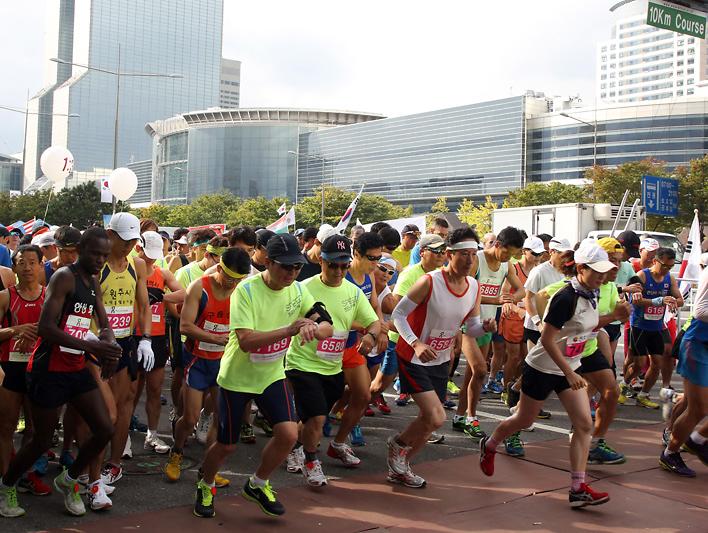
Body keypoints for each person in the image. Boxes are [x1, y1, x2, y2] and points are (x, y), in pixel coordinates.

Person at [194, 234, 333, 518]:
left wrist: (313, 328)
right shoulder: (245, 291)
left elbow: (326, 324)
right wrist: (290, 330)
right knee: (226, 445)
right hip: (237, 377)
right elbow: (246, 341)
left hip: (271, 374)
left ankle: (258, 484)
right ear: (267, 262)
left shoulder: (296, 290)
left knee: (288, 433)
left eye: (296, 267)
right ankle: (205, 484)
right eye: (285, 267)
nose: (292, 273)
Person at [479, 241, 616, 509]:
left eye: (605, 271)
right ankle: (491, 443)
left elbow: (584, 328)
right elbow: (548, 338)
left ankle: (578, 488)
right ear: (580, 268)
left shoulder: (594, 293)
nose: (602, 276)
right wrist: (569, 370)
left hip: (569, 368)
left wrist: (612, 317)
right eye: (597, 271)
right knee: (523, 418)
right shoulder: (566, 297)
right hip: (542, 367)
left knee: (584, 425)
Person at [0, 227, 123, 518]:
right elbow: (46, 328)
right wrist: (90, 346)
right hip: (48, 369)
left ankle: (69, 480)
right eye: (95, 254)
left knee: (105, 428)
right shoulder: (64, 277)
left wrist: (110, 343)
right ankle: (7, 485)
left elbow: (102, 321)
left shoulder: (93, 280)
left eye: (105, 255)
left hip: (76, 366)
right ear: (81, 249)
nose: (100, 260)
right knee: (41, 440)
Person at [389, 226, 495, 487]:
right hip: (414, 357)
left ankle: (401, 467)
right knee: (436, 416)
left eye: (473, 254)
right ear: (449, 254)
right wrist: (415, 344)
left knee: (430, 423)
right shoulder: (429, 282)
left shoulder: (473, 287)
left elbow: (471, 328)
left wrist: (486, 328)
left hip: (440, 359)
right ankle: (397, 445)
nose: (470, 261)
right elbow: (398, 315)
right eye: (464, 254)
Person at [285, 234, 380, 485]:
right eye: (333, 265)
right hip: (302, 363)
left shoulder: (354, 292)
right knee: (316, 417)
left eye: (344, 265)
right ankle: (311, 461)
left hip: (332, 365)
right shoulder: (302, 288)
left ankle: (295, 445)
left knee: (314, 418)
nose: (339, 271)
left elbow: (373, 321)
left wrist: (371, 335)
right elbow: (283, 320)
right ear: (321, 262)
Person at [165, 247, 251, 485]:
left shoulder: (241, 291)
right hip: (198, 360)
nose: (232, 284)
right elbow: (184, 326)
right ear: (219, 268)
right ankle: (177, 451)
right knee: (191, 418)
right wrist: (214, 338)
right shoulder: (199, 288)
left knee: (219, 419)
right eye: (229, 278)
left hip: (224, 363)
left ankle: (208, 469)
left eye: (238, 280)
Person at [99, 212, 152, 485]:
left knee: (122, 406)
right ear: (110, 235)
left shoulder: (137, 265)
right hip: (96, 344)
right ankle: (78, 460)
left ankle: (114, 463)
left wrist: (146, 339)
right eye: (124, 240)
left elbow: (144, 306)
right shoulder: (97, 265)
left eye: (133, 240)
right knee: (94, 409)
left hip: (124, 342)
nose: (130, 246)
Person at [371, 235, 447, 410]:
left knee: (430, 389)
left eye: (443, 251)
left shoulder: (443, 275)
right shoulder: (410, 274)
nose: (440, 255)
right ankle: (353, 405)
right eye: (435, 251)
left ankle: (427, 428)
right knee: (380, 384)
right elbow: (396, 309)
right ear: (422, 252)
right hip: (401, 341)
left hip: (426, 342)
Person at [0, 245, 49, 496]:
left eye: (32, 262)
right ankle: (6, 484)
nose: (27, 267)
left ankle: (26, 475)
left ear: (42, 265)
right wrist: (15, 331)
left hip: (39, 368)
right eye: (22, 262)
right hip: (10, 368)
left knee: (34, 428)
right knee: (6, 426)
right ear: (14, 266)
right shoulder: (5, 296)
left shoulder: (49, 296)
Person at [132, 232, 185, 455]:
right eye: (147, 255)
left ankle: (152, 435)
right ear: (138, 249)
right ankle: (122, 435)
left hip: (157, 337)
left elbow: (184, 292)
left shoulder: (162, 272)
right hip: (133, 336)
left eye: (156, 255)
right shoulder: (130, 271)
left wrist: (161, 297)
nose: (151, 260)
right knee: (131, 392)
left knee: (154, 389)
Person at [659, 259, 708, 476]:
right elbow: (700, 311)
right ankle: (670, 453)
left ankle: (696, 441)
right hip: (699, 343)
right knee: (697, 408)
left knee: (693, 403)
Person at [624, 247, 684, 408]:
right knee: (638, 363)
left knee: (657, 363)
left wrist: (672, 300)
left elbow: (680, 300)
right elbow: (636, 300)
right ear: (655, 261)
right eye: (664, 265)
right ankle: (623, 385)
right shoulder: (642, 276)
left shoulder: (669, 278)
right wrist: (658, 301)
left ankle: (643, 395)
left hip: (656, 325)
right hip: (639, 325)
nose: (667, 270)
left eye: (670, 267)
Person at [498, 236, 544, 409]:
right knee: (514, 355)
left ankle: (516, 388)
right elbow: (505, 294)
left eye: (541, 253)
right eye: (535, 253)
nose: (538, 256)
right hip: (513, 317)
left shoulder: (540, 269)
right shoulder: (514, 268)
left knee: (527, 358)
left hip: (530, 318)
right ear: (524, 251)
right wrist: (515, 307)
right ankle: (505, 388)